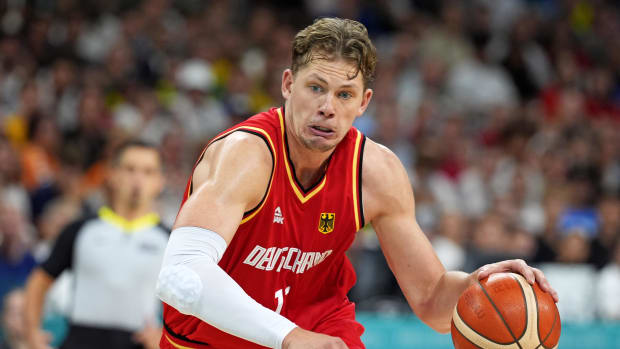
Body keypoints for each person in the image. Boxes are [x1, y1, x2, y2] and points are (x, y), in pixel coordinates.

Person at [156, 18, 558, 349]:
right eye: (316, 88)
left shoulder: (376, 172)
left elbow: (433, 300)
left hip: (321, 332)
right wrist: (291, 337)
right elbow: (180, 278)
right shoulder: (247, 155)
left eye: (344, 94)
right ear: (287, 85)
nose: (327, 108)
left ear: (364, 102)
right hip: (212, 340)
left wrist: (478, 286)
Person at [24, 140, 169, 349]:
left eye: (148, 172)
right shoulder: (81, 230)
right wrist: (32, 334)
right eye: (130, 169)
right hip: (80, 341)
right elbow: (39, 281)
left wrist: (164, 336)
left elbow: (192, 302)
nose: (138, 179)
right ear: (111, 174)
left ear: (160, 181)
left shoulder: (169, 240)